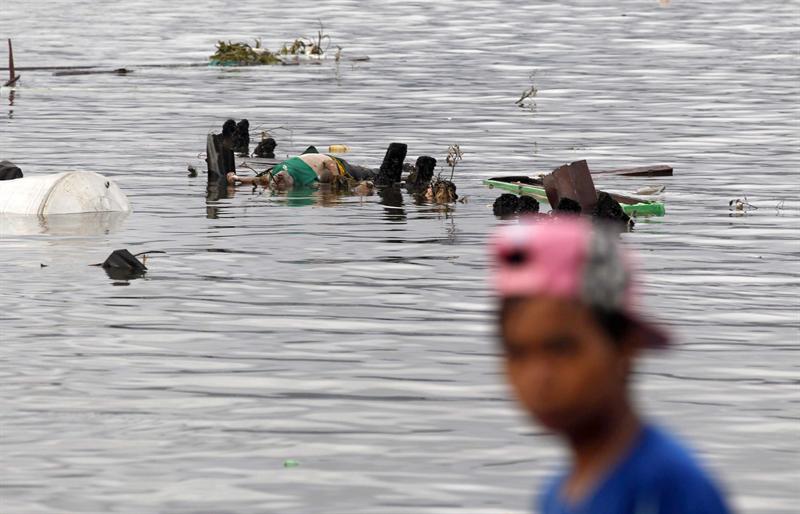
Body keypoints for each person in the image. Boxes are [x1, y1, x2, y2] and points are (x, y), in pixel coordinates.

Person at [490, 217, 733, 514]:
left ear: (625, 348)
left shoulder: (666, 490)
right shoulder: (558, 495)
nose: (538, 376)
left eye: (562, 348)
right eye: (518, 352)